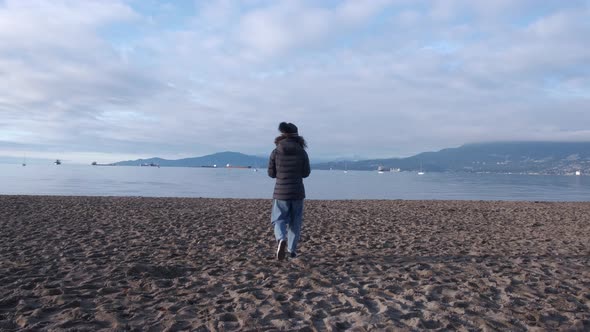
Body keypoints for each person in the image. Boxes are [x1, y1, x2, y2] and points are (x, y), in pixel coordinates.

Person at [268, 122, 311, 260]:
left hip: (280, 192)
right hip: (297, 192)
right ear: (297, 136)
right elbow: (306, 173)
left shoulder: (276, 151)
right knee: (295, 222)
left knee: (278, 219)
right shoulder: (302, 152)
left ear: (282, 135)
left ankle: (281, 239)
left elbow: (271, 173)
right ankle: (292, 251)